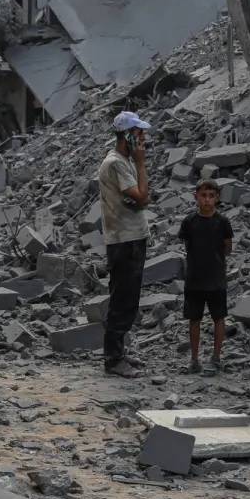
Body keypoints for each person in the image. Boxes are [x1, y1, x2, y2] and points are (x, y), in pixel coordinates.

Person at [96, 111, 151, 378]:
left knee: (129, 299)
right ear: (127, 136)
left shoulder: (124, 161)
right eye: (139, 135)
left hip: (132, 239)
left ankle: (118, 353)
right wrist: (141, 164)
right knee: (122, 300)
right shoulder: (117, 163)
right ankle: (113, 359)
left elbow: (142, 198)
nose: (143, 140)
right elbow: (141, 197)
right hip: (123, 241)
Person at [178, 178, 233, 376]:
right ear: (196, 197)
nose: (207, 200)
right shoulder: (189, 222)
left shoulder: (223, 222)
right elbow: (188, 245)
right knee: (194, 319)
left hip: (216, 278)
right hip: (194, 279)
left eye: (211, 196)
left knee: (219, 318)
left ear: (217, 198)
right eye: (203, 196)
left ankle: (216, 358)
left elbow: (228, 247)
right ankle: (194, 360)